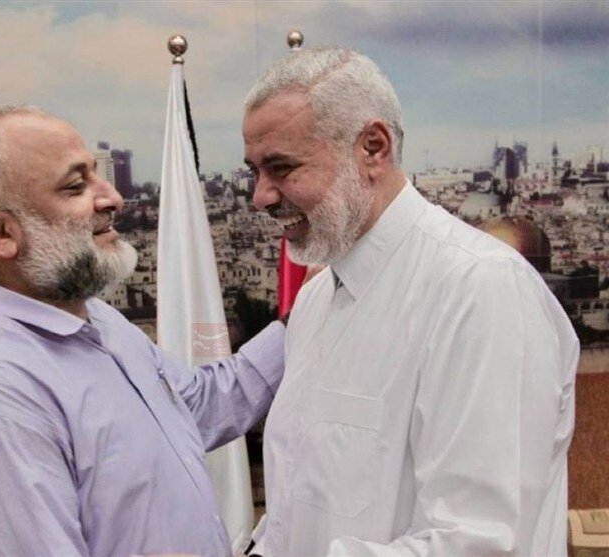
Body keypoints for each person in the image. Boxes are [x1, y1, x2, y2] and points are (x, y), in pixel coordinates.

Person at [0, 105, 286, 557]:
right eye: (75, 186)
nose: (113, 198)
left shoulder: (95, 319)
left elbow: (196, 408)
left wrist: (304, 319)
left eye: (97, 175)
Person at [242, 47, 578, 556]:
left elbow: (478, 544)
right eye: (254, 172)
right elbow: (296, 510)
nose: (260, 196)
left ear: (372, 148)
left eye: (281, 168)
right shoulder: (314, 302)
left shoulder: (479, 291)